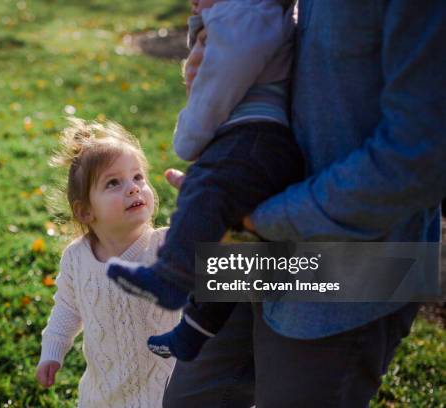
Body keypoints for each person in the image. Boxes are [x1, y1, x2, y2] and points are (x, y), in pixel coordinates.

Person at [164, 0, 446, 407]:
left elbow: (420, 158)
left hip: (352, 267)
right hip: (247, 237)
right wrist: (208, 35)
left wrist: (265, 218)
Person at [107, 0, 304, 362]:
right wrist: (202, 16)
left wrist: (189, 137)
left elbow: (218, 82)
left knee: (205, 191)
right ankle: (196, 330)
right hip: (260, 139)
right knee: (234, 246)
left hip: (253, 135)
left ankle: (171, 275)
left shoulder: (245, 10)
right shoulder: (245, 12)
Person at [35, 118, 179, 407]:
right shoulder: (77, 259)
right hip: (104, 395)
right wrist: (52, 351)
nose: (133, 188)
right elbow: (66, 308)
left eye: (138, 177)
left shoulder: (167, 246)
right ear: (86, 211)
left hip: (166, 393)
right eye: (113, 182)